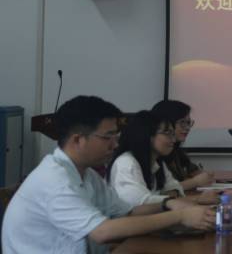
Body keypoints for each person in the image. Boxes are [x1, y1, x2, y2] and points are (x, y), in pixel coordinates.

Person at [1, 96, 215, 254]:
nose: (115, 145)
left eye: (116, 136)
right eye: (108, 137)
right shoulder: (55, 180)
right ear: (78, 140)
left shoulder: (86, 174)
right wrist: (179, 216)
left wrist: (167, 204)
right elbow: (103, 232)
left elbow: (128, 212)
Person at [108, 111, 217, 208]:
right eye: (168, 133)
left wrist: (170, 196)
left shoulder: (157, 161)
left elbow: (173, 188)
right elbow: (140, 203)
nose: (173, 140)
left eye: (173, 134)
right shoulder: (127, 163)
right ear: (147, 135)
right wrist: (196, 199)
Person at [151, 100, 214, 190]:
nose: (187, 128)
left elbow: (192, 170)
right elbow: (163, 189)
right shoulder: (155, 153)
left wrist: (202, 175)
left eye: (188, 123)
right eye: (182, 123)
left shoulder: (175, 150)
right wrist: (195, 182)